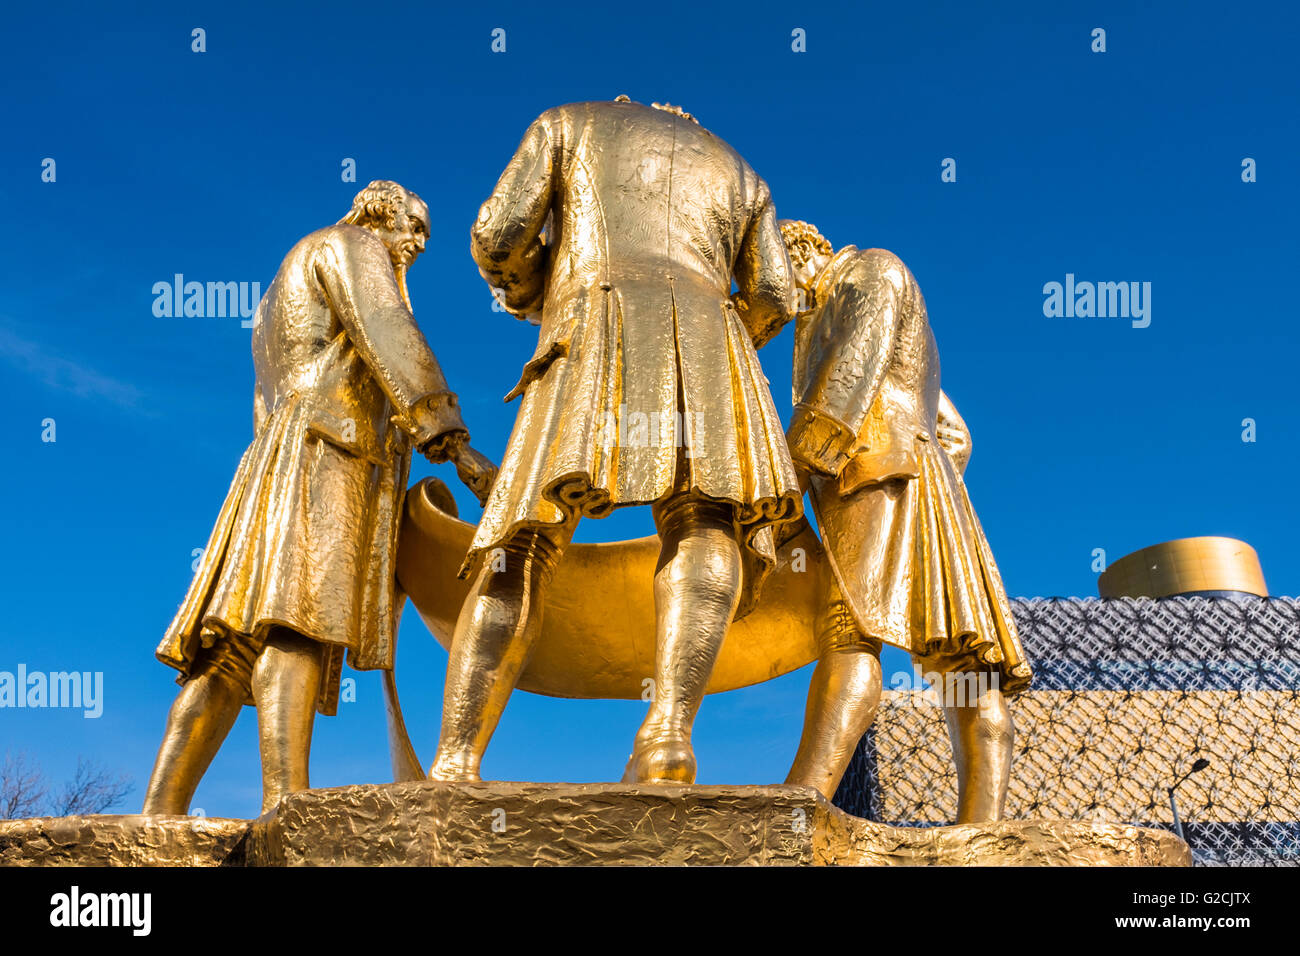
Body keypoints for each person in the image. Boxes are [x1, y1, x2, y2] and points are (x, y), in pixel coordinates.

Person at [430, 98, 802, 785]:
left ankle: (456, 760)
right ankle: (668, 737)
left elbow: (500, 232)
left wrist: (531, 292)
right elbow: (777, 293)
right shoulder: (743, 172)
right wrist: (723, 348)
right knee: (705, 518)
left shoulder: (568, 121)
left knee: (525, 535)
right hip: (712, 335)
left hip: (592, 314)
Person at [143, 181, 496, 815]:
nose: (416, 243)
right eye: (413, 226)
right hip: (327, 450)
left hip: (273, 459)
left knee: (229, 654)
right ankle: (288, 804)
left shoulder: (284, 280)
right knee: (299, 622)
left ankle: (160, 816)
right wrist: (456, 446)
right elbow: (388, 333)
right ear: (377, 214)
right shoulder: (353, 246)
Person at [779, 220, 1031, 821]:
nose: (777, 297)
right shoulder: (858, 292)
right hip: (921, 476)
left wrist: (785, 474)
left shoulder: (868, 271)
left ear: (806, 252)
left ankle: (801, 801)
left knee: (850, 631)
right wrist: (930, 480)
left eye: (778, 275)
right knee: (963, 657)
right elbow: (954, 433)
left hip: (868, 471)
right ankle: (982, 831)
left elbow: (846, 378)